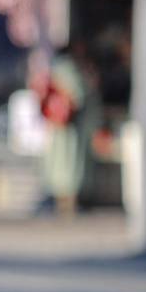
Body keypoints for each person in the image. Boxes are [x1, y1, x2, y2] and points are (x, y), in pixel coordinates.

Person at [39, 43, 95, 217]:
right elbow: (79, 95)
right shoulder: (70, 69)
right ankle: (68, 202)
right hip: (68, 127)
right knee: (70, 164)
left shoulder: (54, 69)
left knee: (60, 164)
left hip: (59, 125)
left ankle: (61, 202)